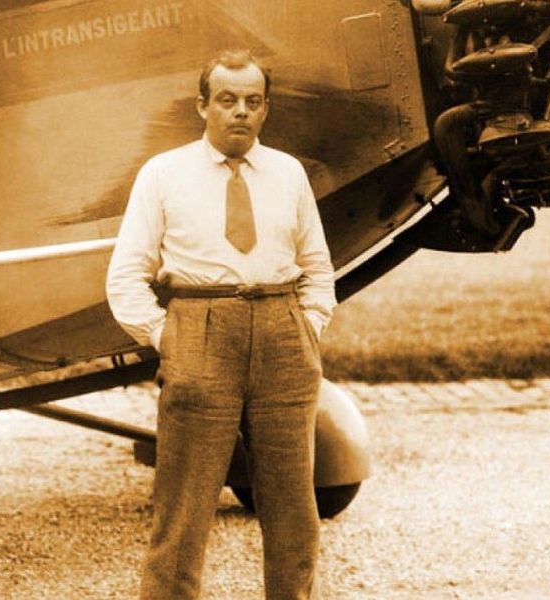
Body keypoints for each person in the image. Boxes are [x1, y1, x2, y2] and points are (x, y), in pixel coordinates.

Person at [106, 49, 336, 600]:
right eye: (228, 100)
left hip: (283, 332)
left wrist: (307, 325)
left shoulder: (288, 173)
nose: (241, 112)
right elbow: (126, 275)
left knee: (293, 508)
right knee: (184, 508)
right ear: (202, 105)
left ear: (266, 109)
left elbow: (317, 265)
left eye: (253, 102)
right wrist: (168, 337)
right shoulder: (164, 174)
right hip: (199, 328)